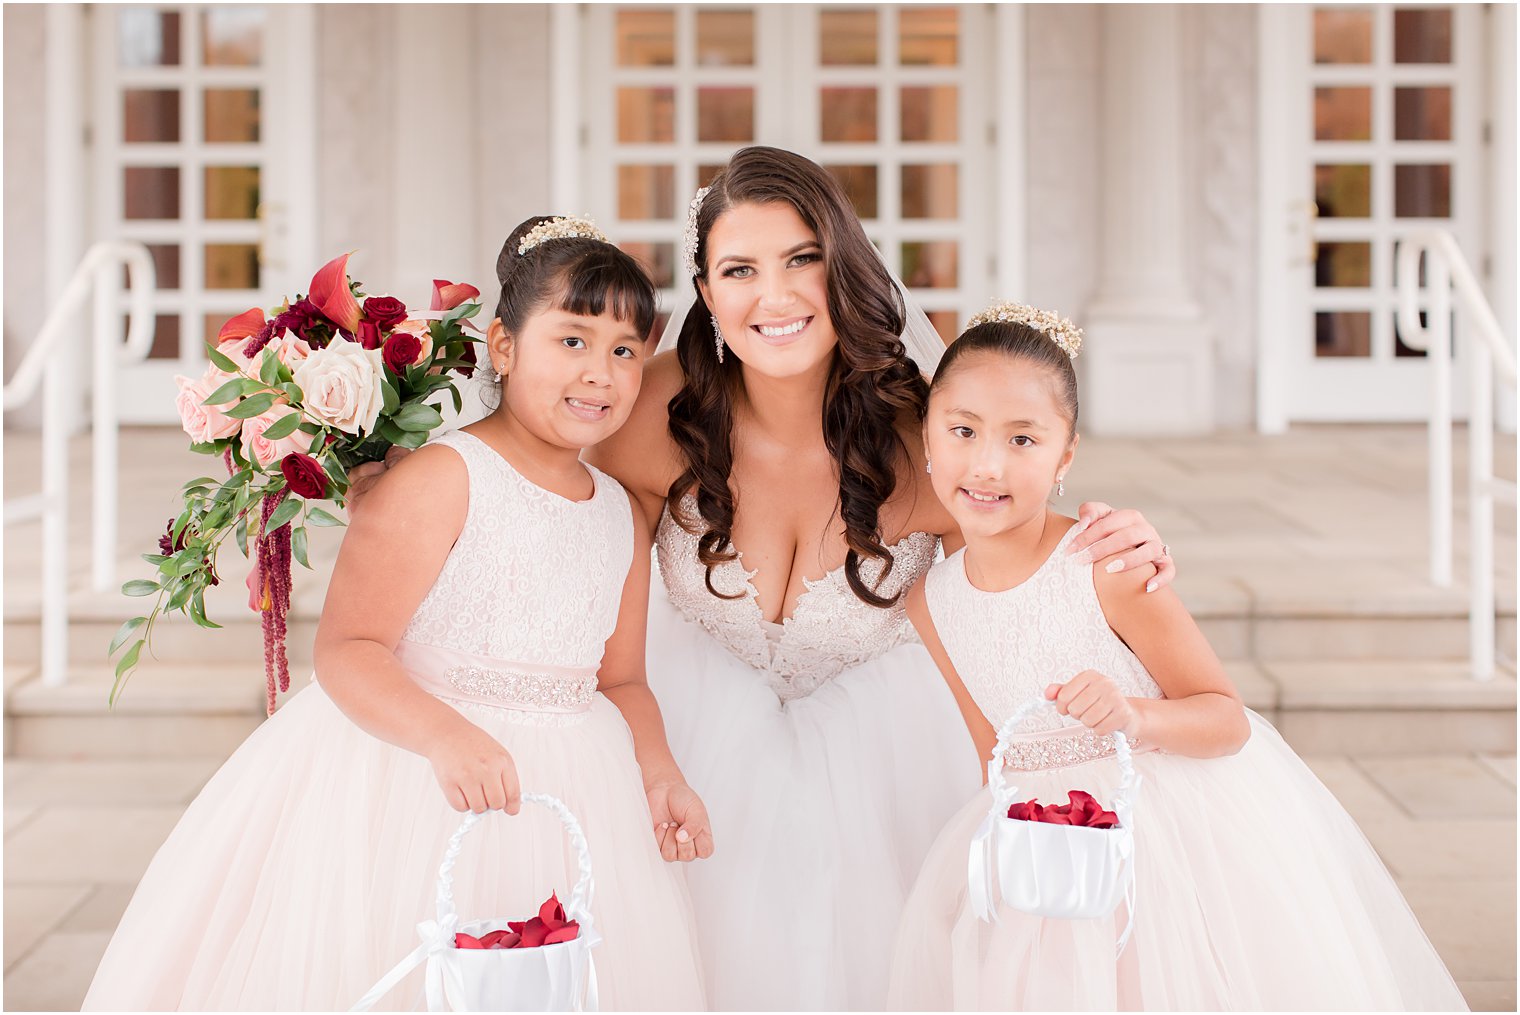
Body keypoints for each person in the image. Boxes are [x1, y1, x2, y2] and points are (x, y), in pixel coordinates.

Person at [352, 146, 1173, 1011]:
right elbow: (520, 449)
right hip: (690, 737)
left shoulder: (930, 438)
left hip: (891, 751)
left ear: (844, 269)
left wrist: (1122, 543)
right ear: (706, 293)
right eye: (739, 269)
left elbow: (1024, 551)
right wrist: (389, 471)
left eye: (801, 260)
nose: (772, 297)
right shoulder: (640, 409)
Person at [83, 216, 708, 1011]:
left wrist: (659, 774)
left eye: (625, 350)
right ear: (505, 347)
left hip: (573, 800)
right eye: (573, 340)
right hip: (412, 778)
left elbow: (621, 679)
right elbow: (349, 648)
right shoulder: (443, 477)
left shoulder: (621, 511)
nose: (601, 373)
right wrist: (444, 735)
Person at [887, 304, 1467, 1010]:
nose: (987, 462)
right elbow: (994, 758)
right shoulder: (930, 599)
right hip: (1053, 856)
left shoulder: (1105, 564)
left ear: (1065, 456)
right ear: (927, 436)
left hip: (1170, 844)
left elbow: (1226, 718)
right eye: (963, 430)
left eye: (1023, 439)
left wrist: (1131, 714)